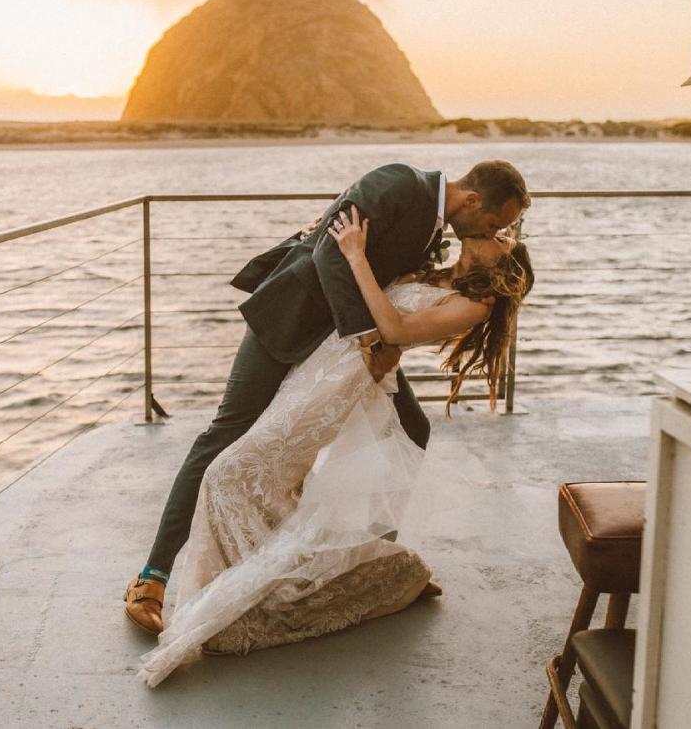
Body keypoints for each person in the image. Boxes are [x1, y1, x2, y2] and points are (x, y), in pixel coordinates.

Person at [123, 161, 529, 636]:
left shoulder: (436, 228)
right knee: (227, 432)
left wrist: (377, 337)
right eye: (496, 224)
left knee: (413, 429)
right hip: (293, 320)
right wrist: (373, 342)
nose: (496, 233)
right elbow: (330, 257)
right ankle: (152, 576)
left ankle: (375, 566)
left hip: (347, 343)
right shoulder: (398, 182)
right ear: (474, 200)